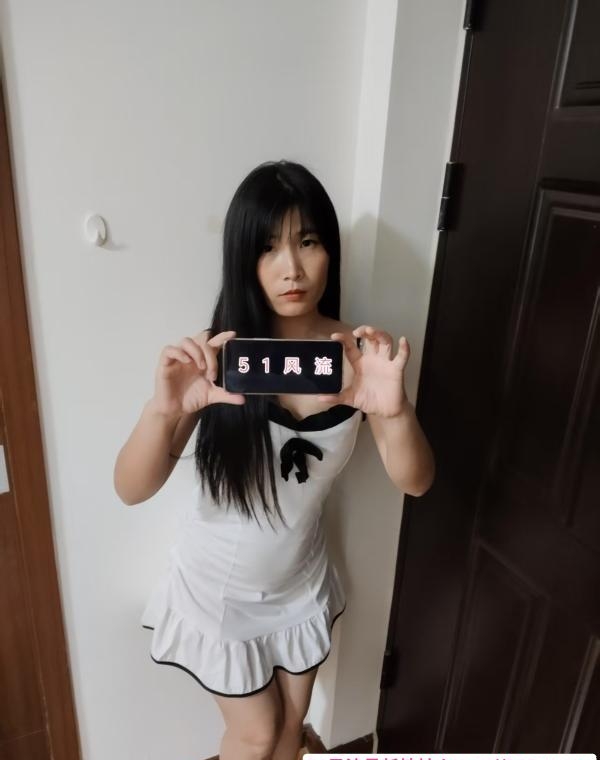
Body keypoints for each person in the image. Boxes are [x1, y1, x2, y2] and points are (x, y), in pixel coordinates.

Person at [113, 160, 435, 760]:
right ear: (243, 259)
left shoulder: (359, 357)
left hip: (299, 582)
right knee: (257, 733)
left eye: (307, 241)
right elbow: (130, 488)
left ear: (329, 250)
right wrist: (163, 411)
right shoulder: (218, 357)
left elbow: (416, 482)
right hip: (219, 591)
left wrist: (393, 412)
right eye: (267, 247)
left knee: (290, 729)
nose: (291, 268)